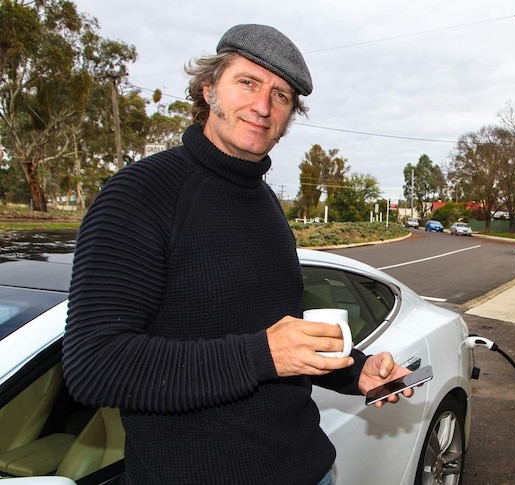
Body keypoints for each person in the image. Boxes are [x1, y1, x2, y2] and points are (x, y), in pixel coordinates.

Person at [63, 24, 411, 485]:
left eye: (281, 96)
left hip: (310, 470)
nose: (263, 106)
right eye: (247, 83)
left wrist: (359, 372)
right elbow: (95, 366)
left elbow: (277, 334)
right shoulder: (139, 194)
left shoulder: (266, 203)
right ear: (209, 89)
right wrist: (262, 355)